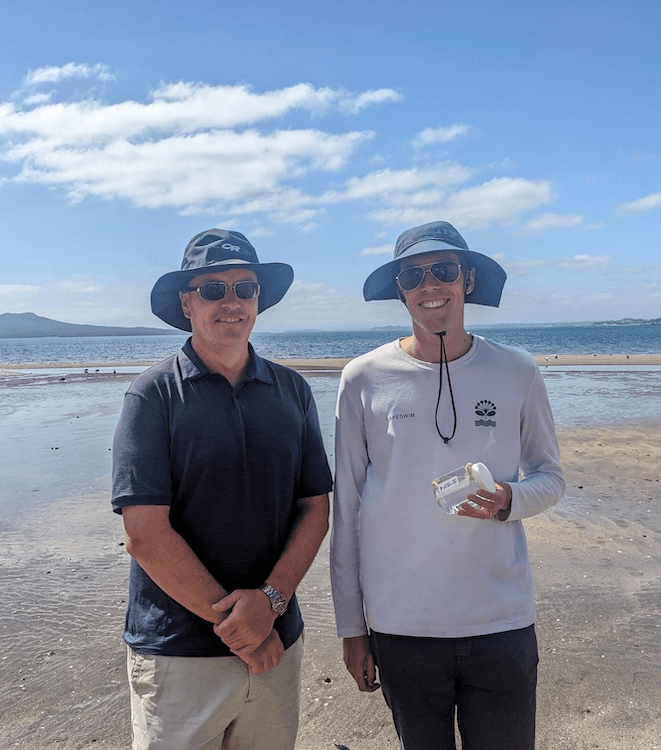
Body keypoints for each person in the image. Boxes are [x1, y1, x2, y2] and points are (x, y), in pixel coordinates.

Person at [330, 220, 565, 749]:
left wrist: (510, 499)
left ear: (469, 280)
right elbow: (346, 510)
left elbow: (550, 477)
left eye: (443, 270)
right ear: (399, 289)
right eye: (413, 275)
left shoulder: (517, 371)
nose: (429, 285)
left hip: (500, 621)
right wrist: (351, 627)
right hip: (402, 627)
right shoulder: (363, 378)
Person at [111, 228, 333, 750]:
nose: (231, 302)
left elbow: (315, 508)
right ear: (187, 302)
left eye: (245, 288)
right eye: (213, 289)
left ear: (259, 300)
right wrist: (242, 627)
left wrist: (270, 604)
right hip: (178, 653)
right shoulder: (152, 396)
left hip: (277, 641)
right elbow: (144, 535)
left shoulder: (292, 390)